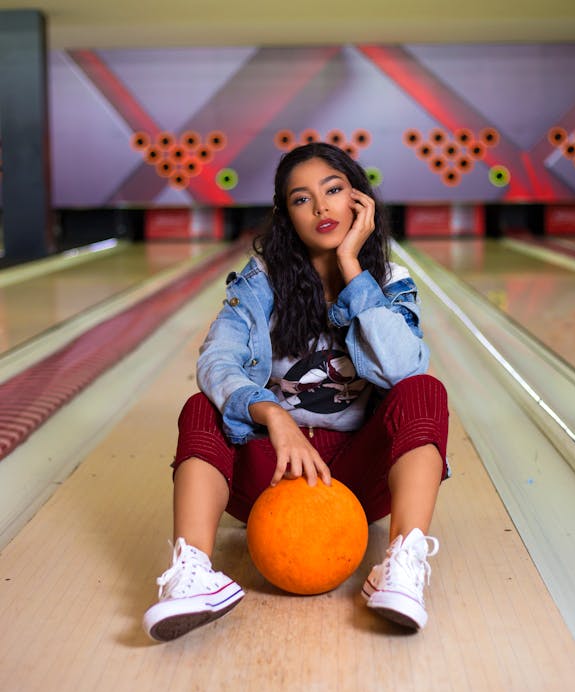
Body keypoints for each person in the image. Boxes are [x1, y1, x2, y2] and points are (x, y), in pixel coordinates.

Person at [142, 142, 449, 642]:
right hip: (273, 467)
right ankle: (190, 573)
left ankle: (403, 563)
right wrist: (273, 415)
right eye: (301, 199)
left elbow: (402, 368)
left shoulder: (389, 282)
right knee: (202, 408)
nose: (322, 207)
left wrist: (352, 266)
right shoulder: (262, 283)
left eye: (333, 190)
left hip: (354, 476)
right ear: (287, 216)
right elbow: (216, 360)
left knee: (423, 391)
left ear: (359, 201)